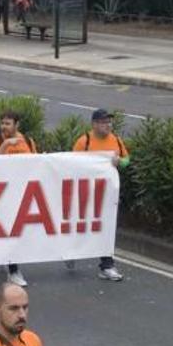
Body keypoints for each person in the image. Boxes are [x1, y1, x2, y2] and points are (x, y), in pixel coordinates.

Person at [71, 108, 128, 281]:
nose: (107, 125)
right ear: (94, 124)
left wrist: (120, 162)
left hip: (107, 194)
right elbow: (71, 163)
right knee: (81, 225)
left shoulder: (116, 140)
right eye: (103, 122)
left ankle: (107, 265)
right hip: (86, 193)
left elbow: (127, 160)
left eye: (109, 122)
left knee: (106, 227)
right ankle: (70, 252)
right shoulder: (84, 141)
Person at [0, 111, 38, 287]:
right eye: (2, 123)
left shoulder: (28, 141)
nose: (4, 127)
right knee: (11, 231)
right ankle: (14, 270)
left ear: (17, 125)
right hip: (2, 194)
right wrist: (6, 145)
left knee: (17, 232)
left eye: (8, 123)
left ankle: (7, 259)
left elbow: (35, 164)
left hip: (23, 193)